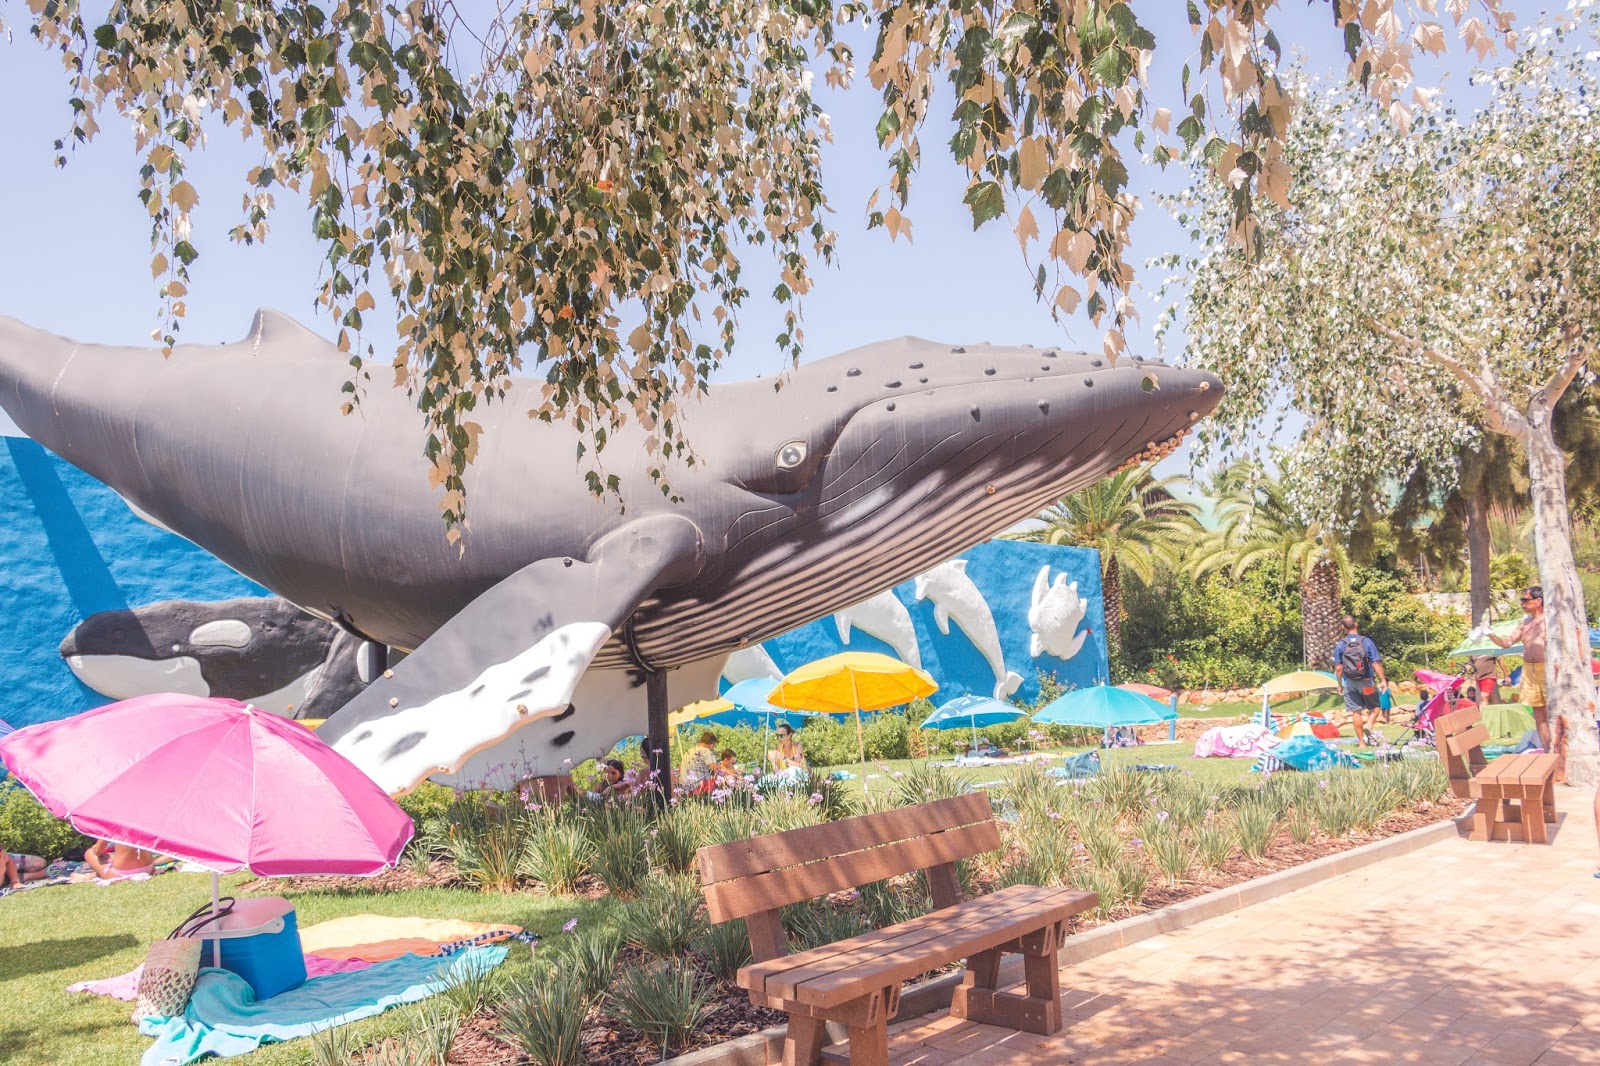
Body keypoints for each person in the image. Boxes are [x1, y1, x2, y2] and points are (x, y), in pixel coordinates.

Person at [1491, 586, 1549, 751]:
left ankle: (1560, 751)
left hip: (1546, 669)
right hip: (1529, 670)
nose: (1522, 603)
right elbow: (1506, 643)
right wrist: (1490, 634)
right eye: (1521, 600)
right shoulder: (1525, 623)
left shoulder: (1549, 621)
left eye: (1525, 600)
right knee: (1538, 714)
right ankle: (1548, 751)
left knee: (1554, 711)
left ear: (1538, 601)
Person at [1332, 616, 1388, 746]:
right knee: (1375, 706)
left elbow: (1339, 668)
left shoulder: (1341, 645)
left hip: (1350, 682)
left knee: (1356, 711)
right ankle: (1369, 724)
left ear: (1343, 627)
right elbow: (1376, 663)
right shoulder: (1366, 641)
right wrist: (1383, 680)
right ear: (1356, 624)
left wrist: (1340, 684)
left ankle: (1362, 743)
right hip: (1366, 681)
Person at [84, 839, 157, 880]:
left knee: (89, 853)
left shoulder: (114, 823)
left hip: (121, 873)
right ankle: (94, 875)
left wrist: (95, 847)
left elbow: (97, 852)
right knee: (111, 857)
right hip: (148, 868)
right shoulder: (144, 821)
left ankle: (92, 875)